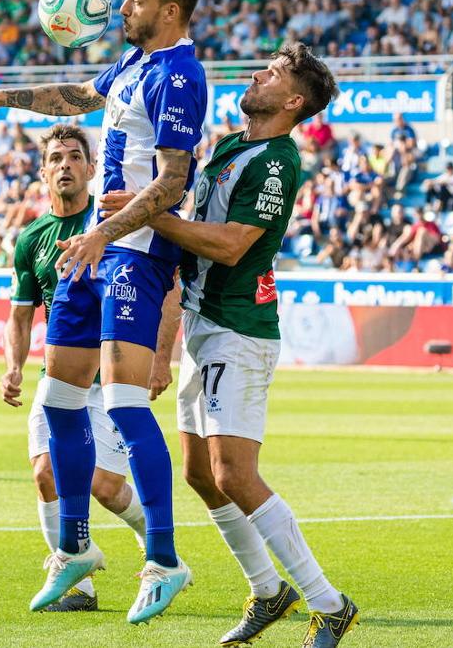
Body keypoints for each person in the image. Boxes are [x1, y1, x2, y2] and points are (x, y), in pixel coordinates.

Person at [0, 0, 202, 623]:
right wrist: (2, 99)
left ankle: (166, 560)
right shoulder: (129, 68)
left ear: (170, 11)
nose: (123, 8)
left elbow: (174, 181)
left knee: (121, 407)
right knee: (58, 401)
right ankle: (74, 552)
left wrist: (104, 232)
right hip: (94, 250)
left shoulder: (181, 75)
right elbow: (77, 98)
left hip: (136, 256)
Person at [100, 43, 359, 648]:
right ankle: (268, 591)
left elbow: (233, 244)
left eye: (270, 73)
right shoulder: (230, 148)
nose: (256, 73)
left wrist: (146, 215)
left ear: (293, 101)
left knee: (234, 473)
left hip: (239, 329)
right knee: (200, 473)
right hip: (203, 324)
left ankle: (330, 603)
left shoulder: (274, 160)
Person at [1, 124, 153, 612]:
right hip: (57, 382)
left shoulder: (110, 223)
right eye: (55, 158)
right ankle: (77, 582)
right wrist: (14, 368)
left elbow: (158, 286)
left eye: (73, 157)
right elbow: (20, 314)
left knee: (102, 487)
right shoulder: (32, 238)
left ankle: (154, 540)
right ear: (43, 172)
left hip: (106, 383)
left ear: (91, 169)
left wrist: (158, 355)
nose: (64, 164)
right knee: (45, 473)